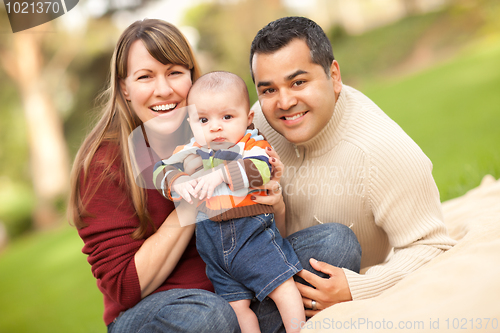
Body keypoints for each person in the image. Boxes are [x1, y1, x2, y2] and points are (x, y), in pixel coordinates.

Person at [250, 16, 457, 316]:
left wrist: (358, 287)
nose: (284, 102)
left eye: (298, 82)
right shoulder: (255, 125)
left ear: (334, 76)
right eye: (268, 90)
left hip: (317, 272)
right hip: (259, 270)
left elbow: (432, 246)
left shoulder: (383, 151)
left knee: (336, 243)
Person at [68, 19, 241, 332]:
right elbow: (124, 287)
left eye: (174, 72)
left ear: (192, 76)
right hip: (156, 313)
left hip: (233, 293)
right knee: (207, 316)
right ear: (125, 88)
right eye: (145, 76)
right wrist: (195, 196)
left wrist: (273, 200)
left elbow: (261, 235)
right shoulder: (102, 164)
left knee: (330, 243)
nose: (164, 90)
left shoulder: (219, 130)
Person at [153, 71, 305, 333]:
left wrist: (221, 174)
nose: (215, 126)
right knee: (236, 308)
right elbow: (159, 170)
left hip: (252, 237)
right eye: (203, 119)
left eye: (226, 117)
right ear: (191, 123)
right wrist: (176, 181)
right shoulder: (190, 150)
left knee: (283, 287)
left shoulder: (250, 143)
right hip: (212, 247)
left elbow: (263, 168)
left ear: (247, 119)